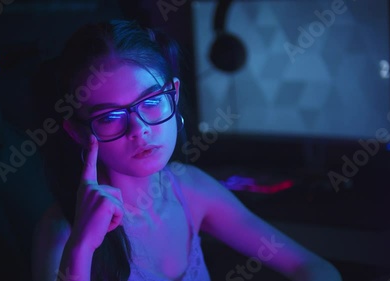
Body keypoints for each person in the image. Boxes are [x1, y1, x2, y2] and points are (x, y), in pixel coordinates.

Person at [31, 19, 343, 281]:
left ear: (174, 95)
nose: (139, 130)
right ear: (78, 131)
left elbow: (312, 267)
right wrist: (83, 248)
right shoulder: (62, 231)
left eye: (152, 102)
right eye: (111, 117)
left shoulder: (190, 188)